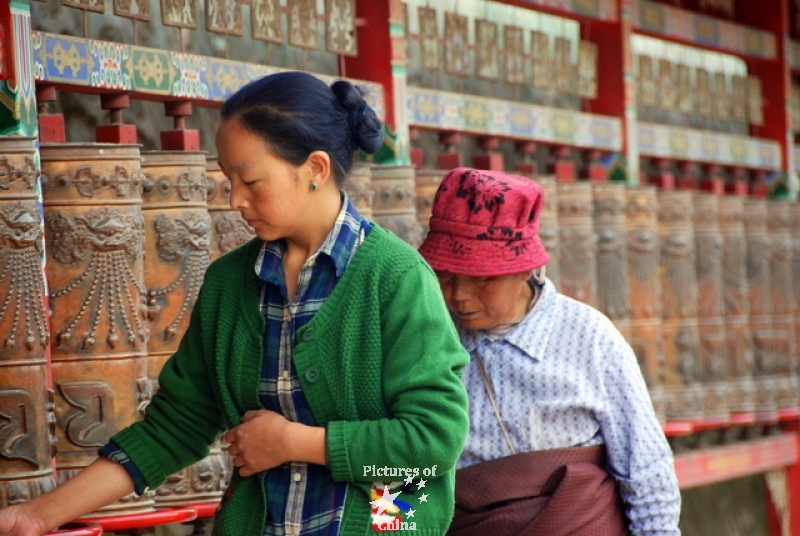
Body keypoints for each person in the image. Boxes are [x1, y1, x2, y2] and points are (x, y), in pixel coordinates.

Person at [0, 72, 469, 536]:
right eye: (228, 180)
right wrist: (36, 517)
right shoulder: (229, 284)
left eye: (250, 181)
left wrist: (297, 443)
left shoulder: (395, 277)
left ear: (315, 170)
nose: (235, 201)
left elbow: (433, 439)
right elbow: (173, 429)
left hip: (387, 522)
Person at [418, 168, 681, 536]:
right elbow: (401, 470)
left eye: (481, 278)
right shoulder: (425, 342)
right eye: (446, 275)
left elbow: (645, 469)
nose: (459, 294)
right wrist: (393, 524)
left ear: (524, 269)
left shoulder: (590, 338)